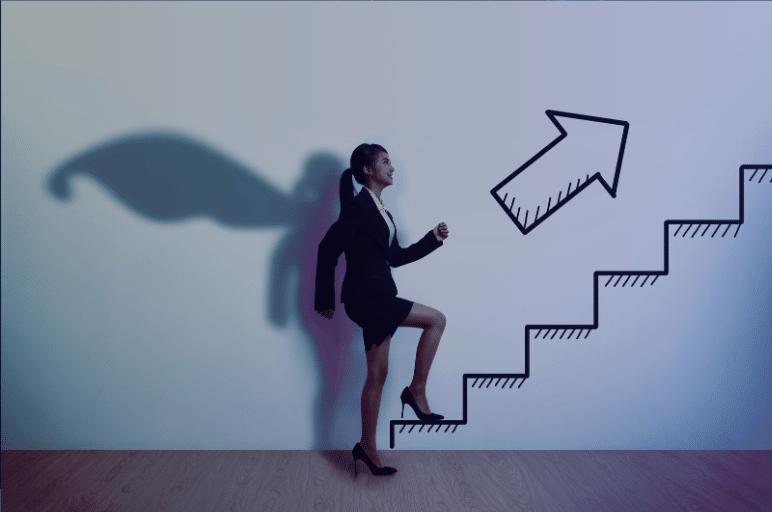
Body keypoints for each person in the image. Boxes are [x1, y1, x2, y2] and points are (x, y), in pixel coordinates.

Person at [315, 143, 449, 476]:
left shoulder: (382, 212)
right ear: (368, 170)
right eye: (386, 162)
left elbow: (395, 258)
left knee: (377, 374)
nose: (392, 167)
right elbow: (327, 249)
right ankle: (416, 391)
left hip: (376, 296)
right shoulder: (358, 207)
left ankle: (367, 447)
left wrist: (432, 239)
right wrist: (325, 300)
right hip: (367, 299)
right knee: (436, 319)